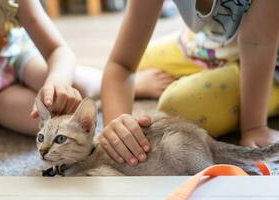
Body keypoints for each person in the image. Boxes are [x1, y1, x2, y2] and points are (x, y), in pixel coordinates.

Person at [100, 0, 279, 166]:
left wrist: (255, 127)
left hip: (269, 60)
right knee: (141, 61)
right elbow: (121, 64)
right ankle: (117, 83)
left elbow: (258, 44)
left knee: (176, 106)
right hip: (212, 44)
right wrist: (118, 126)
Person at [0, 0, 101, 135]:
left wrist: (57, 82)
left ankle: (117, 80)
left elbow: (58, 49)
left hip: (17, 56)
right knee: (48, 122)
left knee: (79, 87)